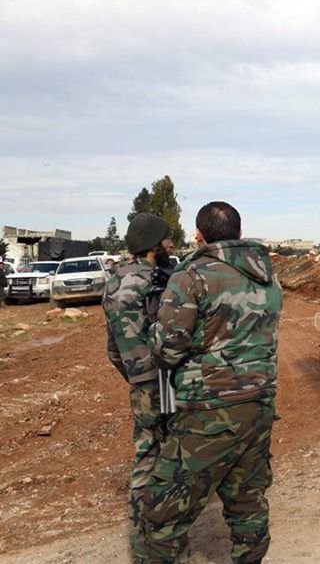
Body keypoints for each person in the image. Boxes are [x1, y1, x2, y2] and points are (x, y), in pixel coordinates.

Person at [139, 202, 283, 564]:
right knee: (248, 500)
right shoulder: (267, 274)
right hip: (259, 403)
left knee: (162, 511)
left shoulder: (192, 276)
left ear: (199, 235)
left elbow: (167, 350)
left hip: (207, 410)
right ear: (237, 232)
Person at [102, 213, 174, 551]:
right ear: (153, 245)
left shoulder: (114, 282)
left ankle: (140, 533)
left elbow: (113, 349)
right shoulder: (157, 281)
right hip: (166, 380)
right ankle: (163, 537)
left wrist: (134, 373)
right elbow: (174, 335)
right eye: (167, 240)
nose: (171, 245)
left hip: (140, 382)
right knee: (171, 453)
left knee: (146, 451)